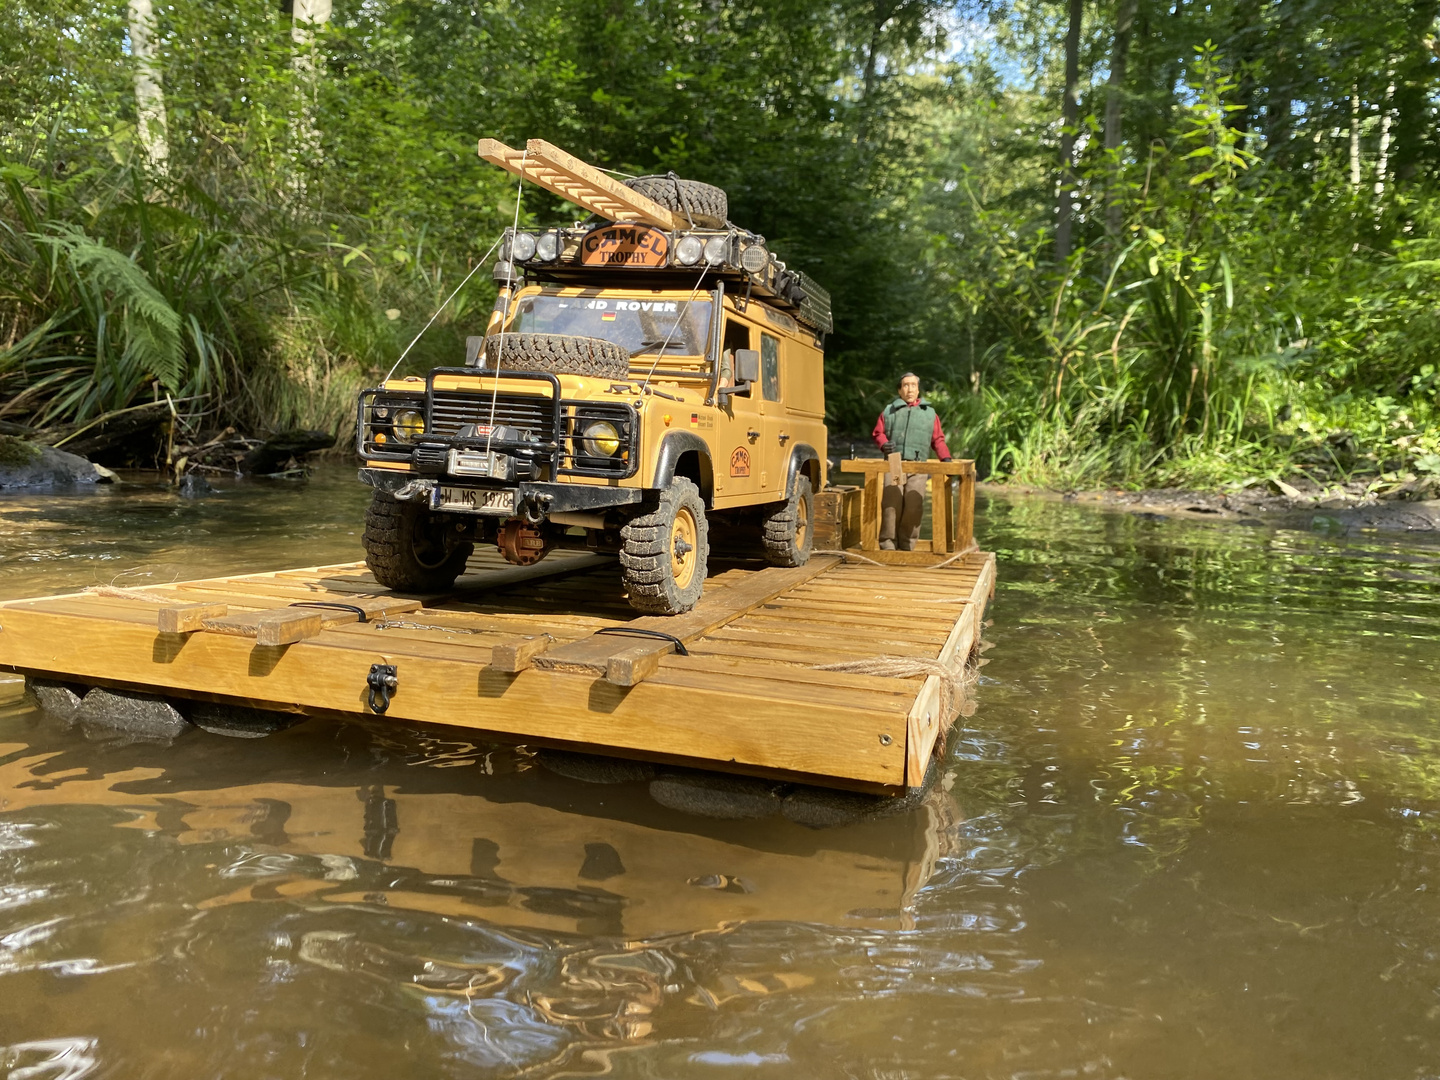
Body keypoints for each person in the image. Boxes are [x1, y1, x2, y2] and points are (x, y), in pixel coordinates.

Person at [871, 372, 952, 551]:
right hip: (894, 463)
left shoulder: (929, 413)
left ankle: (907, 544)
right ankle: (888, 544)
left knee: (914, 505)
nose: (910, 389)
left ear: (918, 389)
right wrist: (884, 445)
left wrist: (945, 458)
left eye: (913, 385)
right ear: (900, 390)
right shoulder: (889, 410)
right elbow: (878, 433)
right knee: (892, 504)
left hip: (919, 464)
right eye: (906, 385)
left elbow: (937, 439)